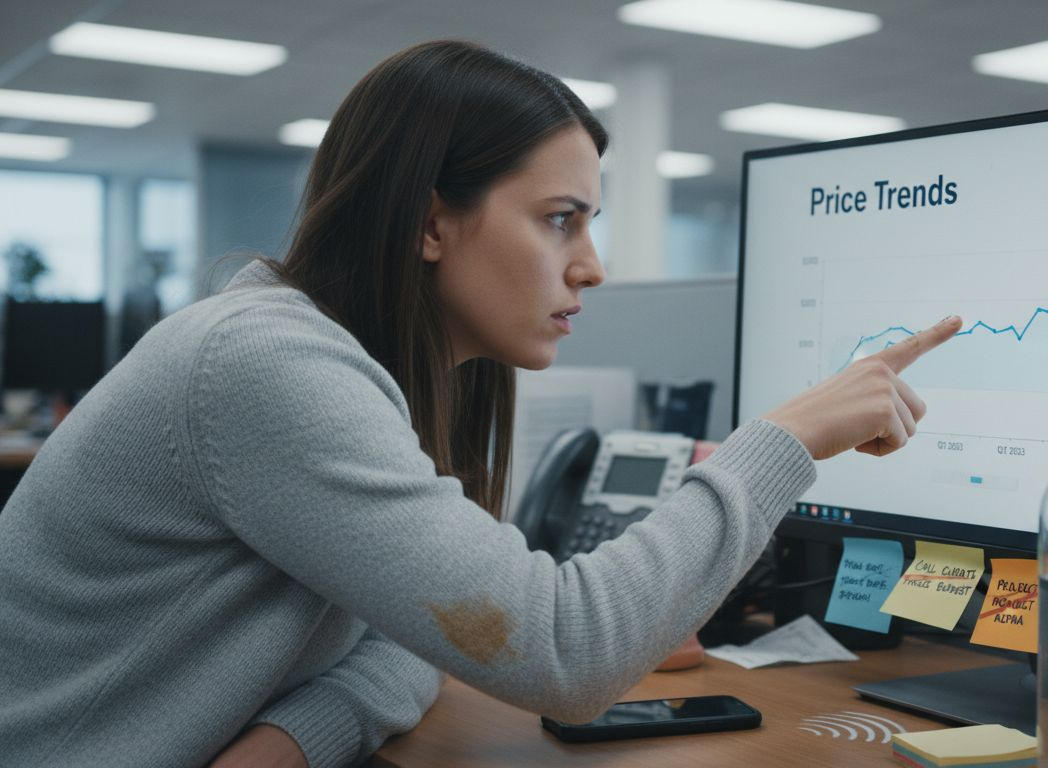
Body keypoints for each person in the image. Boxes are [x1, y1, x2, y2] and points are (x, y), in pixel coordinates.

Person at [0, 40, 962, 768]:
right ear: (431, 222)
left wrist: (298, 737)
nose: (592, 266)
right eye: (560, 221)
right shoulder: (267, 366)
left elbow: (407, 641)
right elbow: (564, 656)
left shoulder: (360, 364)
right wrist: (784, 441)